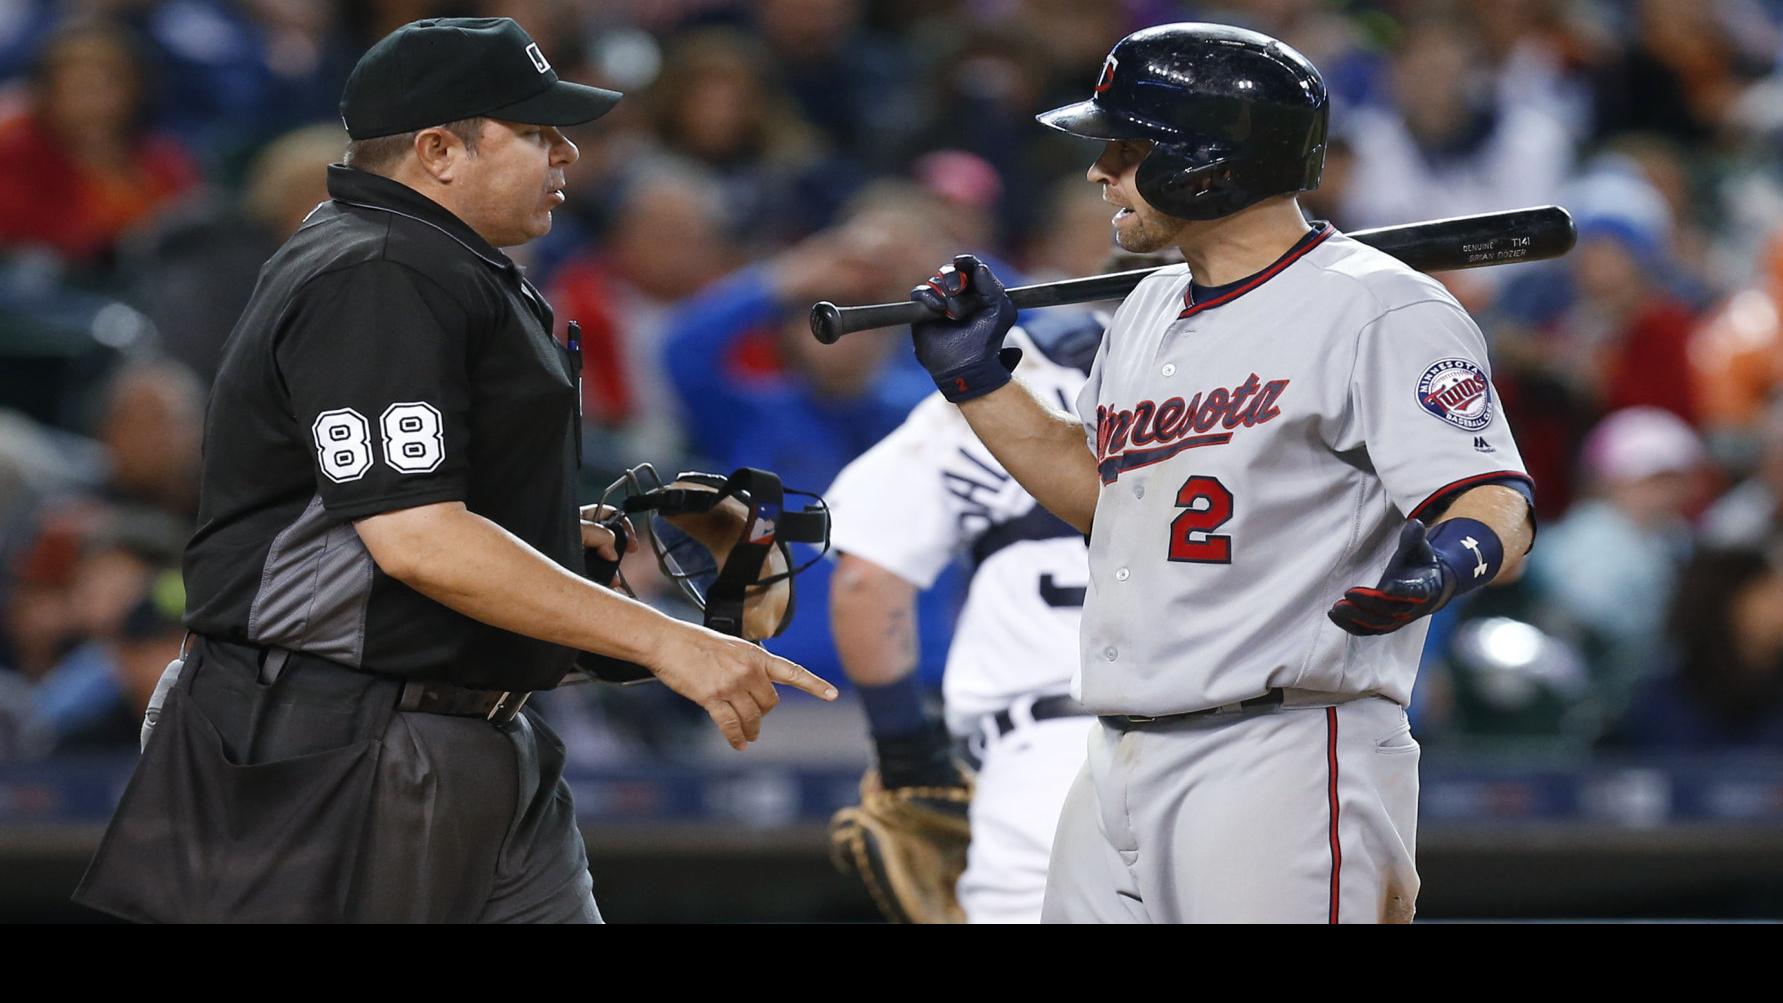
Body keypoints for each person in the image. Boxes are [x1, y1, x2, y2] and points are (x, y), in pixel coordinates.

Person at [72, 16, 834, 925]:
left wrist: (570, 543)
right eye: (536, 131)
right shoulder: (380, 267)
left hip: (463, 730)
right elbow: (416, 539)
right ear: (437, 149)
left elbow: (406, 525)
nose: (565, 152)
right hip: (336, 735)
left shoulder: (441, 264)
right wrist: (662, 638)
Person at [900, 23, 1536, 923]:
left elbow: (1491, 493)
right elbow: (1104, 496)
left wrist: (1451, 560)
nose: (1099, 171)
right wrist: (978, 382)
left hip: (1280, 746)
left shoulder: (1378, 305)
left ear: (1206, 162)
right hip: (1117, 748)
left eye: (1124, 148)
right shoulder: (1148, 304)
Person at [826, 306, 1105, 923]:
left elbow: (866, 581)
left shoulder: (1005, 381)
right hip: (1241, 747)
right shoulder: (1271, 377)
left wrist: (906, 756)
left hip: (1045, 761)